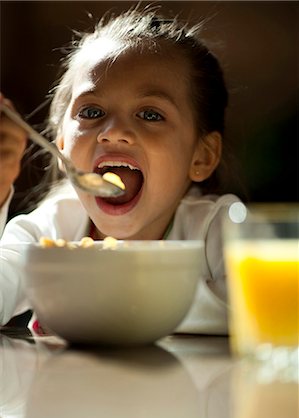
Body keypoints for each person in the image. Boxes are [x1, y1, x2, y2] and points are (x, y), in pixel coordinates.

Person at [0, 6, 241, 332]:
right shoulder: (53, 227)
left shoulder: (217, 227)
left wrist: (114, 291)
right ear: (61, 148)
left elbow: (256, 306)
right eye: (92, 111)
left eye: (151, 115)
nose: (112, 132)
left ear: (201, 157)